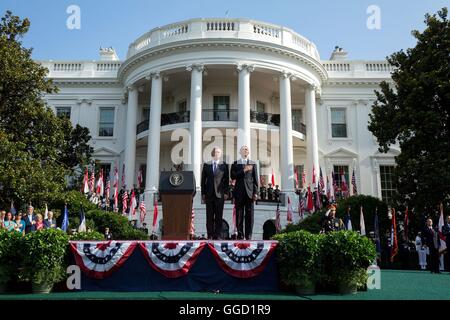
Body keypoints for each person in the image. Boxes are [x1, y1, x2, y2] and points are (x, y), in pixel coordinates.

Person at [230, 145, 258, 240]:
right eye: (243, 149)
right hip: (239, 193)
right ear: (240, 152)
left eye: (247, 149)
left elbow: (255, 180)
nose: (245, 151)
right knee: (239, 215)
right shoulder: (235, 164)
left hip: (250, 193)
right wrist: (244, 170)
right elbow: (233, 176)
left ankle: (248, 235)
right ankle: (241, 235)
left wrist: (255, 193)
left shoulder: (253, 164)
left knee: (250, 215)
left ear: (248, 152)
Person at [201, 147, 229, 240]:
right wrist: (203, 193)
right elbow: (203, 181)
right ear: (212, 153)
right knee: (209, 216)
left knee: (218, 216)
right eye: (215, 152)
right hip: (209, 195)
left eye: (219, 152)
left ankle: (218, 236)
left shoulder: (224, 166)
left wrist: (226, 192)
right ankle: (210, 235)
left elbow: (226, 181)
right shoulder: (206, 165)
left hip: (220, 195)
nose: (217, 153)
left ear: (220, 155)